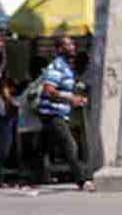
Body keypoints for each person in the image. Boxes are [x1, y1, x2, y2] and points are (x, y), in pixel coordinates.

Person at [36, 37, 93, 191]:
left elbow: (64, 89)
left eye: (73, 44)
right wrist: (70, 99)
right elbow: (49, 90)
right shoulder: (57, 66)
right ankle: (82, 181)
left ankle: (31, 176)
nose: (72, 47)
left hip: (60, 113)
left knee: (43, 148)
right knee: (70, 145)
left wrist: (76, 98)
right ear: (59, 49)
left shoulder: (67, 67)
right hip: (52, 113)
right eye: (68, 44)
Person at [0, 34, 16, 186]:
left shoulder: (3, 66)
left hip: (2, 110)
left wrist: (10, 102)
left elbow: (3, 85)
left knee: (5, 145)